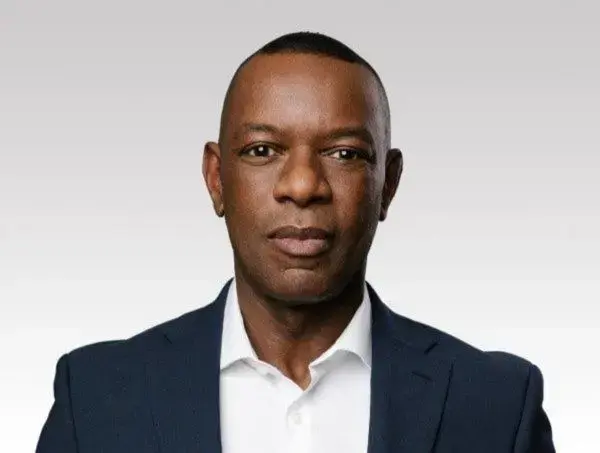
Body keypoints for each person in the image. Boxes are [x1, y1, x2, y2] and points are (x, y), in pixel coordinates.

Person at [36, 31, 556, 453]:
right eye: (262, 150)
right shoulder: (96, 398)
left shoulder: (496, 404)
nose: (303, 186)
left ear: (388, 184)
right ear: (217, 179)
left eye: (345, 154)